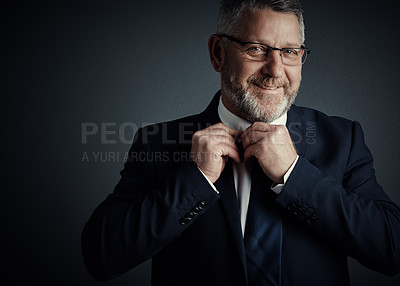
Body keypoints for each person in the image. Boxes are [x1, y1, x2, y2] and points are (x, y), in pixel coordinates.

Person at [81, 0, 400, 285]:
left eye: (289, 52)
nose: (275, 70)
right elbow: (101, 256)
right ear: (218, 53)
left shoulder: (343, 140)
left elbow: (392, 248)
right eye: (257, 48)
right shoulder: (157, 144)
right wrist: (196, 179)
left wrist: (295, 174)